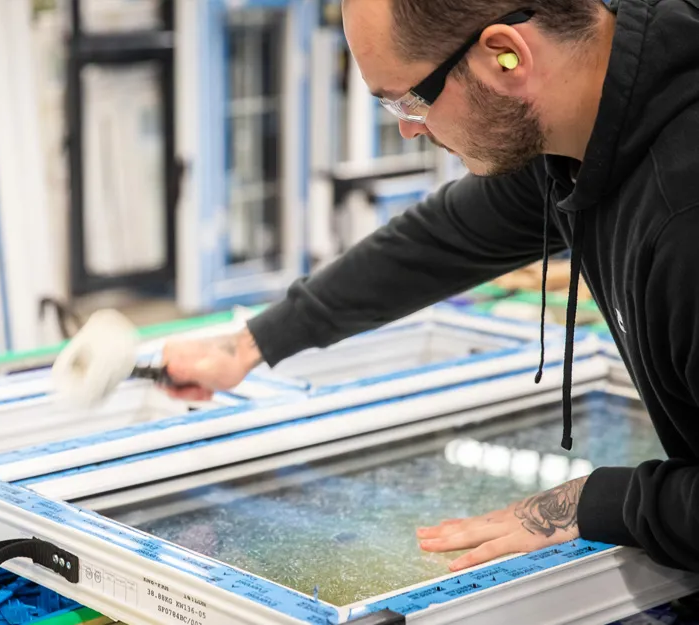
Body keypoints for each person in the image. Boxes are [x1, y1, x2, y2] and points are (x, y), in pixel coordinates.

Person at [159, 0, 699, 575]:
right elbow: (442, 239)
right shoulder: (581, 128)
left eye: (409, 97)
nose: (407, 127)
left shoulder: (684, 217)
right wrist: (249, 344)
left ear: (506, 57)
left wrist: (593, 502)